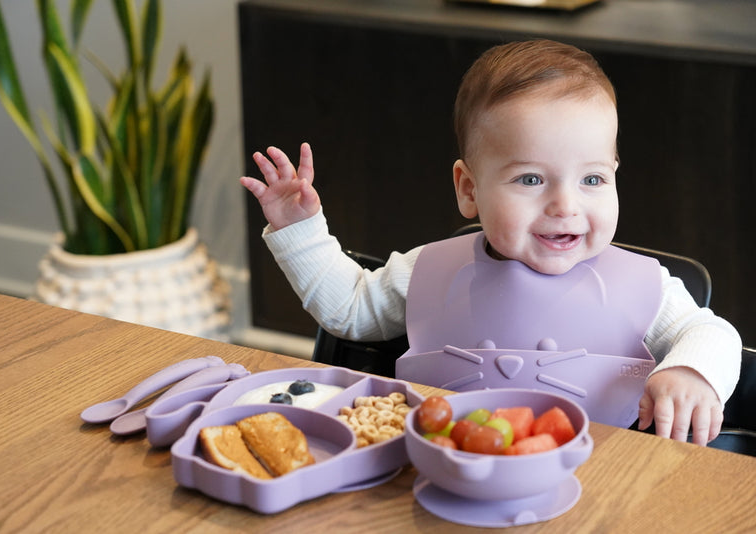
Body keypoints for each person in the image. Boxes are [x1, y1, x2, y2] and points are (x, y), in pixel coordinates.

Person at [240, 39, 741, 446]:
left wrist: (693, 373)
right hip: (444, 475)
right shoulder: (430, 272)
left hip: (600, 483)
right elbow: (350, 309)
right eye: (530, 180)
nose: (565, 205)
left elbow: (714, 334)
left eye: (592, 180)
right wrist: (298, 227)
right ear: (469, 190)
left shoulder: (644, 287)